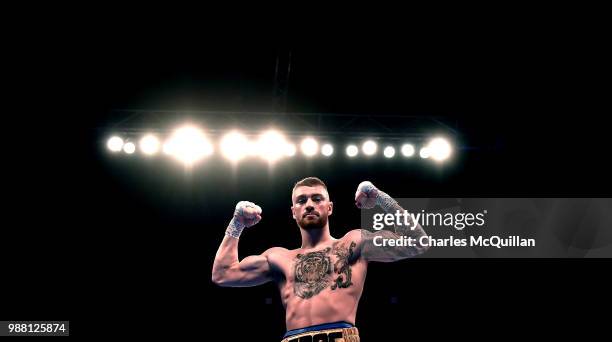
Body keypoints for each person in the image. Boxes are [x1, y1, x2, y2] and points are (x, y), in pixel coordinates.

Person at [212, 177, 429, 341]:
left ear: (329, 207)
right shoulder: (279, 257)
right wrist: (237, 223)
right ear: (293, 211)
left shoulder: (354, 243)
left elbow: (417, 241)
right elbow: (223, 274)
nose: (309, 204)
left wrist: (381, 198)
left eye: (317, 199)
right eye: (301, 200)